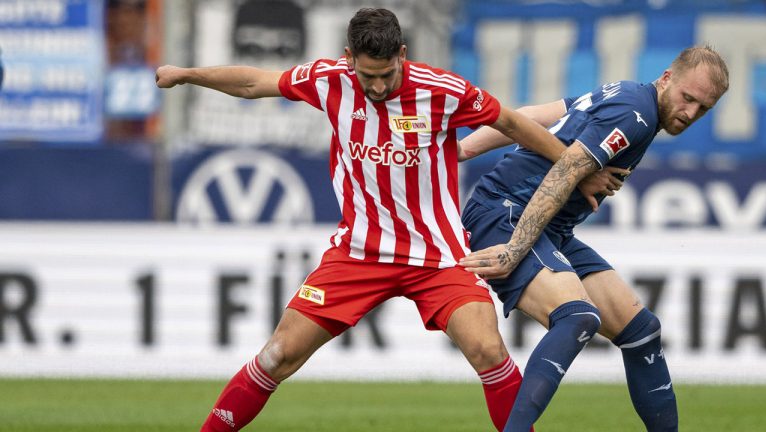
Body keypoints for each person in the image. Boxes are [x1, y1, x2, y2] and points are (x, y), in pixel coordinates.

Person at [156, 8, 615, 431]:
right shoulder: (328, 80)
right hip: (358, 253)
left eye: (387, 74)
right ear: (348, 58)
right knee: (277, 355)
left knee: (489, 351)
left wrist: (581, 170)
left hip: (439, 255)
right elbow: (255, 82)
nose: (377, 87)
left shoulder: (443, 91)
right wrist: (187, 75)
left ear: (402, 54)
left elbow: (513, 124)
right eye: (366, 75)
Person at [458, 45, 729, 432]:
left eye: (703, 108)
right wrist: (513, 251)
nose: (690, 114)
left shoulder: (625, 92)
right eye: (688, 98)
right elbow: (566, 172)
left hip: (550, 227)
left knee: (642, 332)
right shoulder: (634, 114)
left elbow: (535, 117)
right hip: (508, 214)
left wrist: (466, 147)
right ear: (666, 78)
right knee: (577, 317)